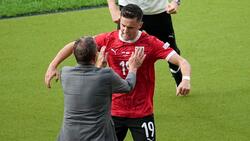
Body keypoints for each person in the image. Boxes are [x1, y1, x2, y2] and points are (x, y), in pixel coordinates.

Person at [45, 4, 191, 141]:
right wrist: (52, 65)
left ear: (140, 25)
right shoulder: (108, 39)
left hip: (142, 112)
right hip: (113, 113)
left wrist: (185, 79)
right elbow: (74, 45)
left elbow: (181, 61)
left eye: (131, 27)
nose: (125, 31)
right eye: (123, 25)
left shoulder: (151, 43)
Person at [50, 36, 145, 141]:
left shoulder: (65, 73)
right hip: (98, 137)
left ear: (74, 54)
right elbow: (128, 86)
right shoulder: (106, 75)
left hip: (68, 137)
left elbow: (88, 82)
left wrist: (98, 67)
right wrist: (133, 68)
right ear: (95, 56)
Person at [107, 0, 183, 86]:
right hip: (129, 11)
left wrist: (175, 2)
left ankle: (180, 81)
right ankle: (124, 86)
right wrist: (112, 7)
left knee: (172, 51)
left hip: (158, 11)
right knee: (121, 52)